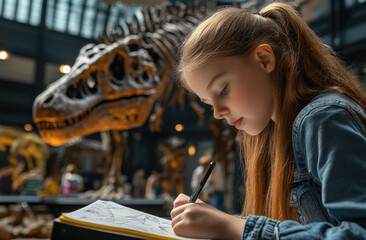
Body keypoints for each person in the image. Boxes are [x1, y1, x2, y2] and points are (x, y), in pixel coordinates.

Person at [170, 3, 366, 240]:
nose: (217, 113)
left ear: (264, 60)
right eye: (208, 103)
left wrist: (233, 227)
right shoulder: (278, 131)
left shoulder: (322, 118)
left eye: (222, 89)